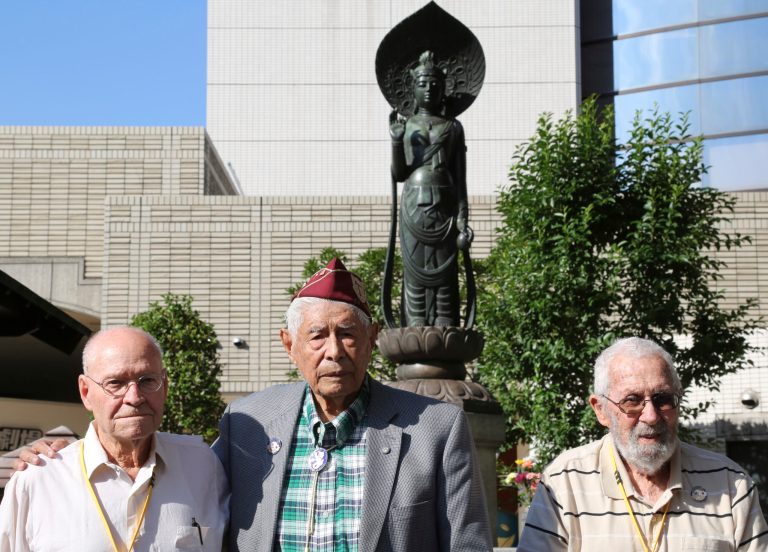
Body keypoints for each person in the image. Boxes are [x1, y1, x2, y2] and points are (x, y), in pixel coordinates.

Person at [212, 257, 492, 551]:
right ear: (289, 345)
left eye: (347, 334)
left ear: (371, 339)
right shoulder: (247, 423)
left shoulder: (436, 429)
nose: (334, 351)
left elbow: (466, 545)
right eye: (317, 336)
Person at [518, 337, 768, 551]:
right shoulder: (565, 482)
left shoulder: (730, 482)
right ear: (601, 410)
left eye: (663, 399)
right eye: (632, 400)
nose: (651, 416)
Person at [0, 327, 228, 551]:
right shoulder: (39, 480)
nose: (135, 397)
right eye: (115, 383)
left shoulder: (202, 466)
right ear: (86, 392)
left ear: (165, 386)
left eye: (147, 380)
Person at [388, 50, 473, 327]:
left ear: (444, 89)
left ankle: (445, 320)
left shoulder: (453, 127)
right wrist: (397, 143)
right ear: (412, 88)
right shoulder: (407, 124)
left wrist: (463, 217)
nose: (429, 89)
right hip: (414, 201)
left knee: (445, 268)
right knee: (415, 268)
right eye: (422, 84)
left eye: (435, 85)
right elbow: (399, 173)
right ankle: (415, 323)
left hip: (446, 202)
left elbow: (461, 178)